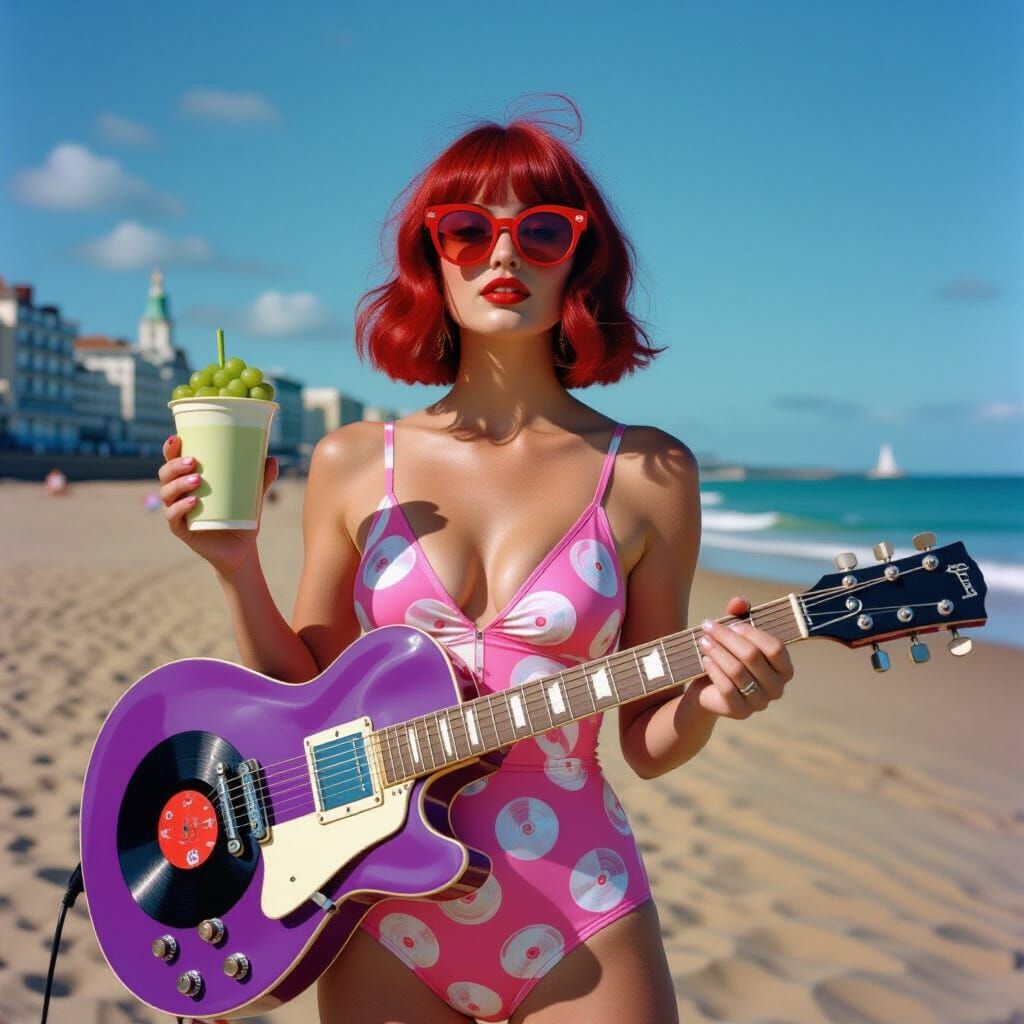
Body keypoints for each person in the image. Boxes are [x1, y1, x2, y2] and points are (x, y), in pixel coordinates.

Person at [157, 96, 795, 1024]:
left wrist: (710, 697)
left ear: (581, 258)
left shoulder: (652, 472)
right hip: (380, 911)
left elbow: (647, 746)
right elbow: (305, 701)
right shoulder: (350, 461)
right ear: (433, 257)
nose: (502, 255)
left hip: (582, 910)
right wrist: (232, 563)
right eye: (467, 229)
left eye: (540, 231)